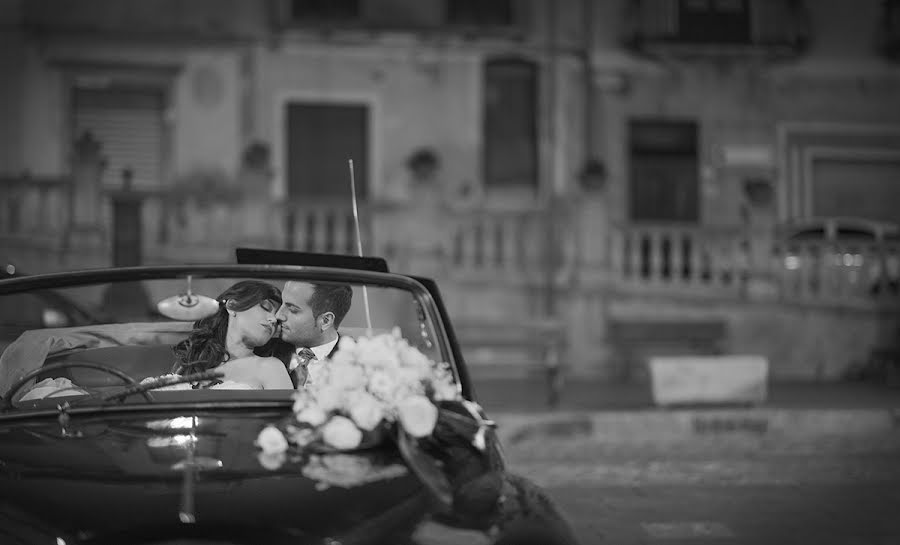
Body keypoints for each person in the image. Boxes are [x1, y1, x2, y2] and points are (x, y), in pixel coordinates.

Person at [172, 280, 293, 390]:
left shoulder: (270, 367)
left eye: (277, 318)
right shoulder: (188, 364)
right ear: (232, 305)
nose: (272, 319)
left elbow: (290, 414)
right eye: (266, 307)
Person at [275, 281, 353, 388]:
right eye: (281, 303)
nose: (278, 315)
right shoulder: (264, 350)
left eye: (292, 310)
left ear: (325, 321)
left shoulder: (360, 363)